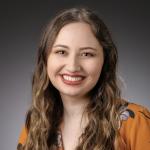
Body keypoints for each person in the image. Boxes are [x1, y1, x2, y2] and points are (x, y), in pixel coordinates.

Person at [17, 7, 150, 150]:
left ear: (105, 61)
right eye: (61, 52)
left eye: (87, 54)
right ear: (45, 59)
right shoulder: (35, 125)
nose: (73, 66)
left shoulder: (135, 121)